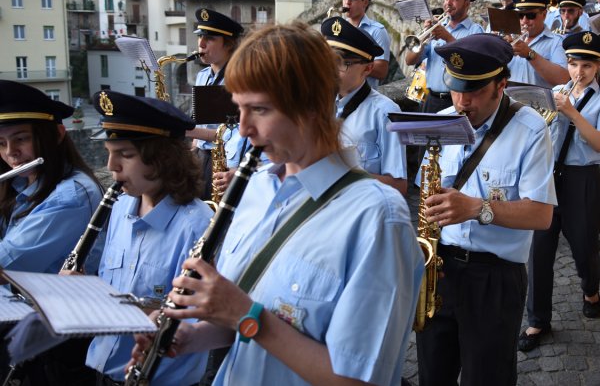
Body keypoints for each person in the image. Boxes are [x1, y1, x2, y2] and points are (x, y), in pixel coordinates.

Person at [129, 22, 423, 386]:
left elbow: (359, 380)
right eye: (239, 108)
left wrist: (245, 316)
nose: (243, 129)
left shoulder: (378, 219)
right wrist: (191, 336)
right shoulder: (254, 189)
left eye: (259, 110)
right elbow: (244, 317)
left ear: (311, 107)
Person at [415, 33, 556, 386]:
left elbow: (542, 214)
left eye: (474, 91)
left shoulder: (531, 129)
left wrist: (476, 208)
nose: (462, 101)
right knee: (433, 374)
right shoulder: (442, 120)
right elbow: (424, 194)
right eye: (456, 89)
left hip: (494, 278)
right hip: (441, 271)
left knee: (487, 378)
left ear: (501, 84)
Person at [85, 90, 213, 385]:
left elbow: (197, 320)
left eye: (125, 155)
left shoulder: (197, 226)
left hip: (157, 377)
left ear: (162, 160)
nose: (111, 166)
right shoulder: (119, 208)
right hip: (103, 369)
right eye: (108, 152)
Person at [519, 31, 600, 351]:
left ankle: (591, 290)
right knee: (540, 252)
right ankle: (537, 320)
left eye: (587, 66)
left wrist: (572, 113)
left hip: (583, 179)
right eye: (574, 64)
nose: (579, 72)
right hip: (549, 177)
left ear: (599, 67)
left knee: (584, 247)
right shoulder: (557, 91)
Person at [0, 81, 103, 275]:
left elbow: (7, 265)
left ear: (57, 135)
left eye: (21, 139)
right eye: (1, 143)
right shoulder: (20, 184)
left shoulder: (73, 195)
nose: (10, 152)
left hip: (49, 304)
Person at [322, 16, 407, 194]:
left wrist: (344, 177)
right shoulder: (318, 105)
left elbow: (399, 186)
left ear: (367, 69)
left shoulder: (386, 113)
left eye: (340, 63)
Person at [186, 8, 247, 200]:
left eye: (210, 38)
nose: (201, 44)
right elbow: (200, 120)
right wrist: (193, 149)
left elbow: (231, 135)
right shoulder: (203, 76)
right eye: (200, 36)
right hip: (201, 158)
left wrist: (183, 129)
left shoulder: (238, 80)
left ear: (228, 44)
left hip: (225, 162)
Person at [404, 0, 484, 114]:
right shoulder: (437, 28)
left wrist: (448, 38)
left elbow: (472, 64)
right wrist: (423, 37)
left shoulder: (475, 31)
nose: (448, 3)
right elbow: (409, 60)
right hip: (431, 100)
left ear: (467, 3)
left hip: (458, 102)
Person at [506, 0, 570, 88]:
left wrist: (530, 54)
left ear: (544, 15)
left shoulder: (557, 42)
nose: (524, 21)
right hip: (510, 101)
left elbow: (563, 79)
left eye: (530, 15)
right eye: (520, 15)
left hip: (538, 102)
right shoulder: (510, 38)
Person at [341, 0, 391, 86]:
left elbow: (381, 71)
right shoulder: (339, 28)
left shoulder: (377, 31)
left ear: (365, 2)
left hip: (364, 99)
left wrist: (347, 63)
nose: (347, 3)